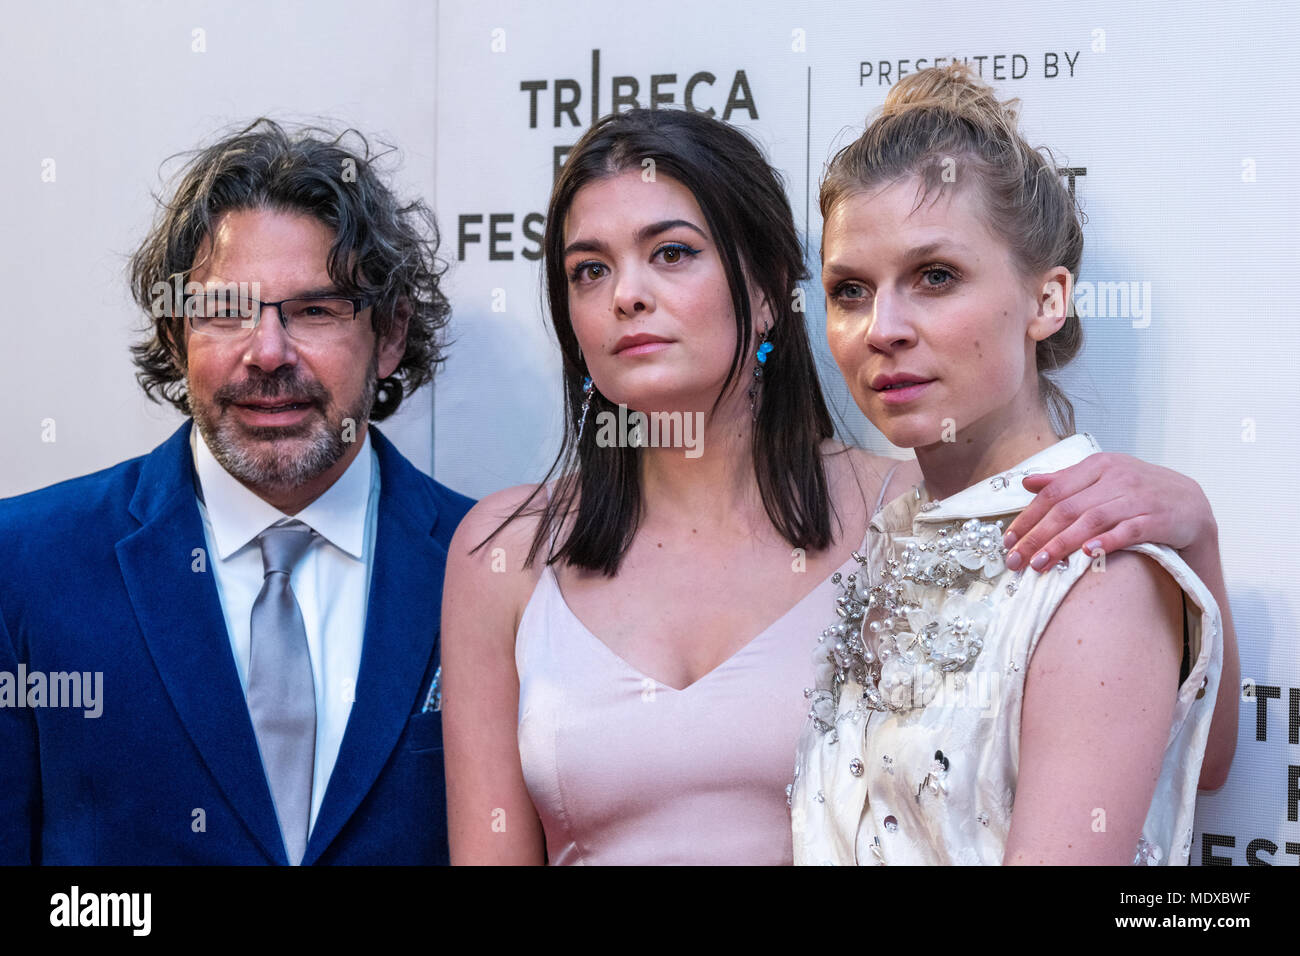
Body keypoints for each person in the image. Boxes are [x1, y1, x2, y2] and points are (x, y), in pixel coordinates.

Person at [441, 107, 1234, 865]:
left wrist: (1194, 539)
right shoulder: (505, 549)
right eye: (588, 270)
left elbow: (1185, 747)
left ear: (767, 290)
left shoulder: (908, 520)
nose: (626, 296)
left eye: (673, 252)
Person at [791, 64, 1234, 865]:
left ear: (1047, 300)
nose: (881, 328)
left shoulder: (1092, 571)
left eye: (935, 277)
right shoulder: (896, 529)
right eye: (850, 290)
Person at [0, 119, 473, 865]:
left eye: (317, 309)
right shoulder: (23, 566)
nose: (268, 353)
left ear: (389, 336)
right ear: (173, 332)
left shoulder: (492, 563)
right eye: (225, 311)